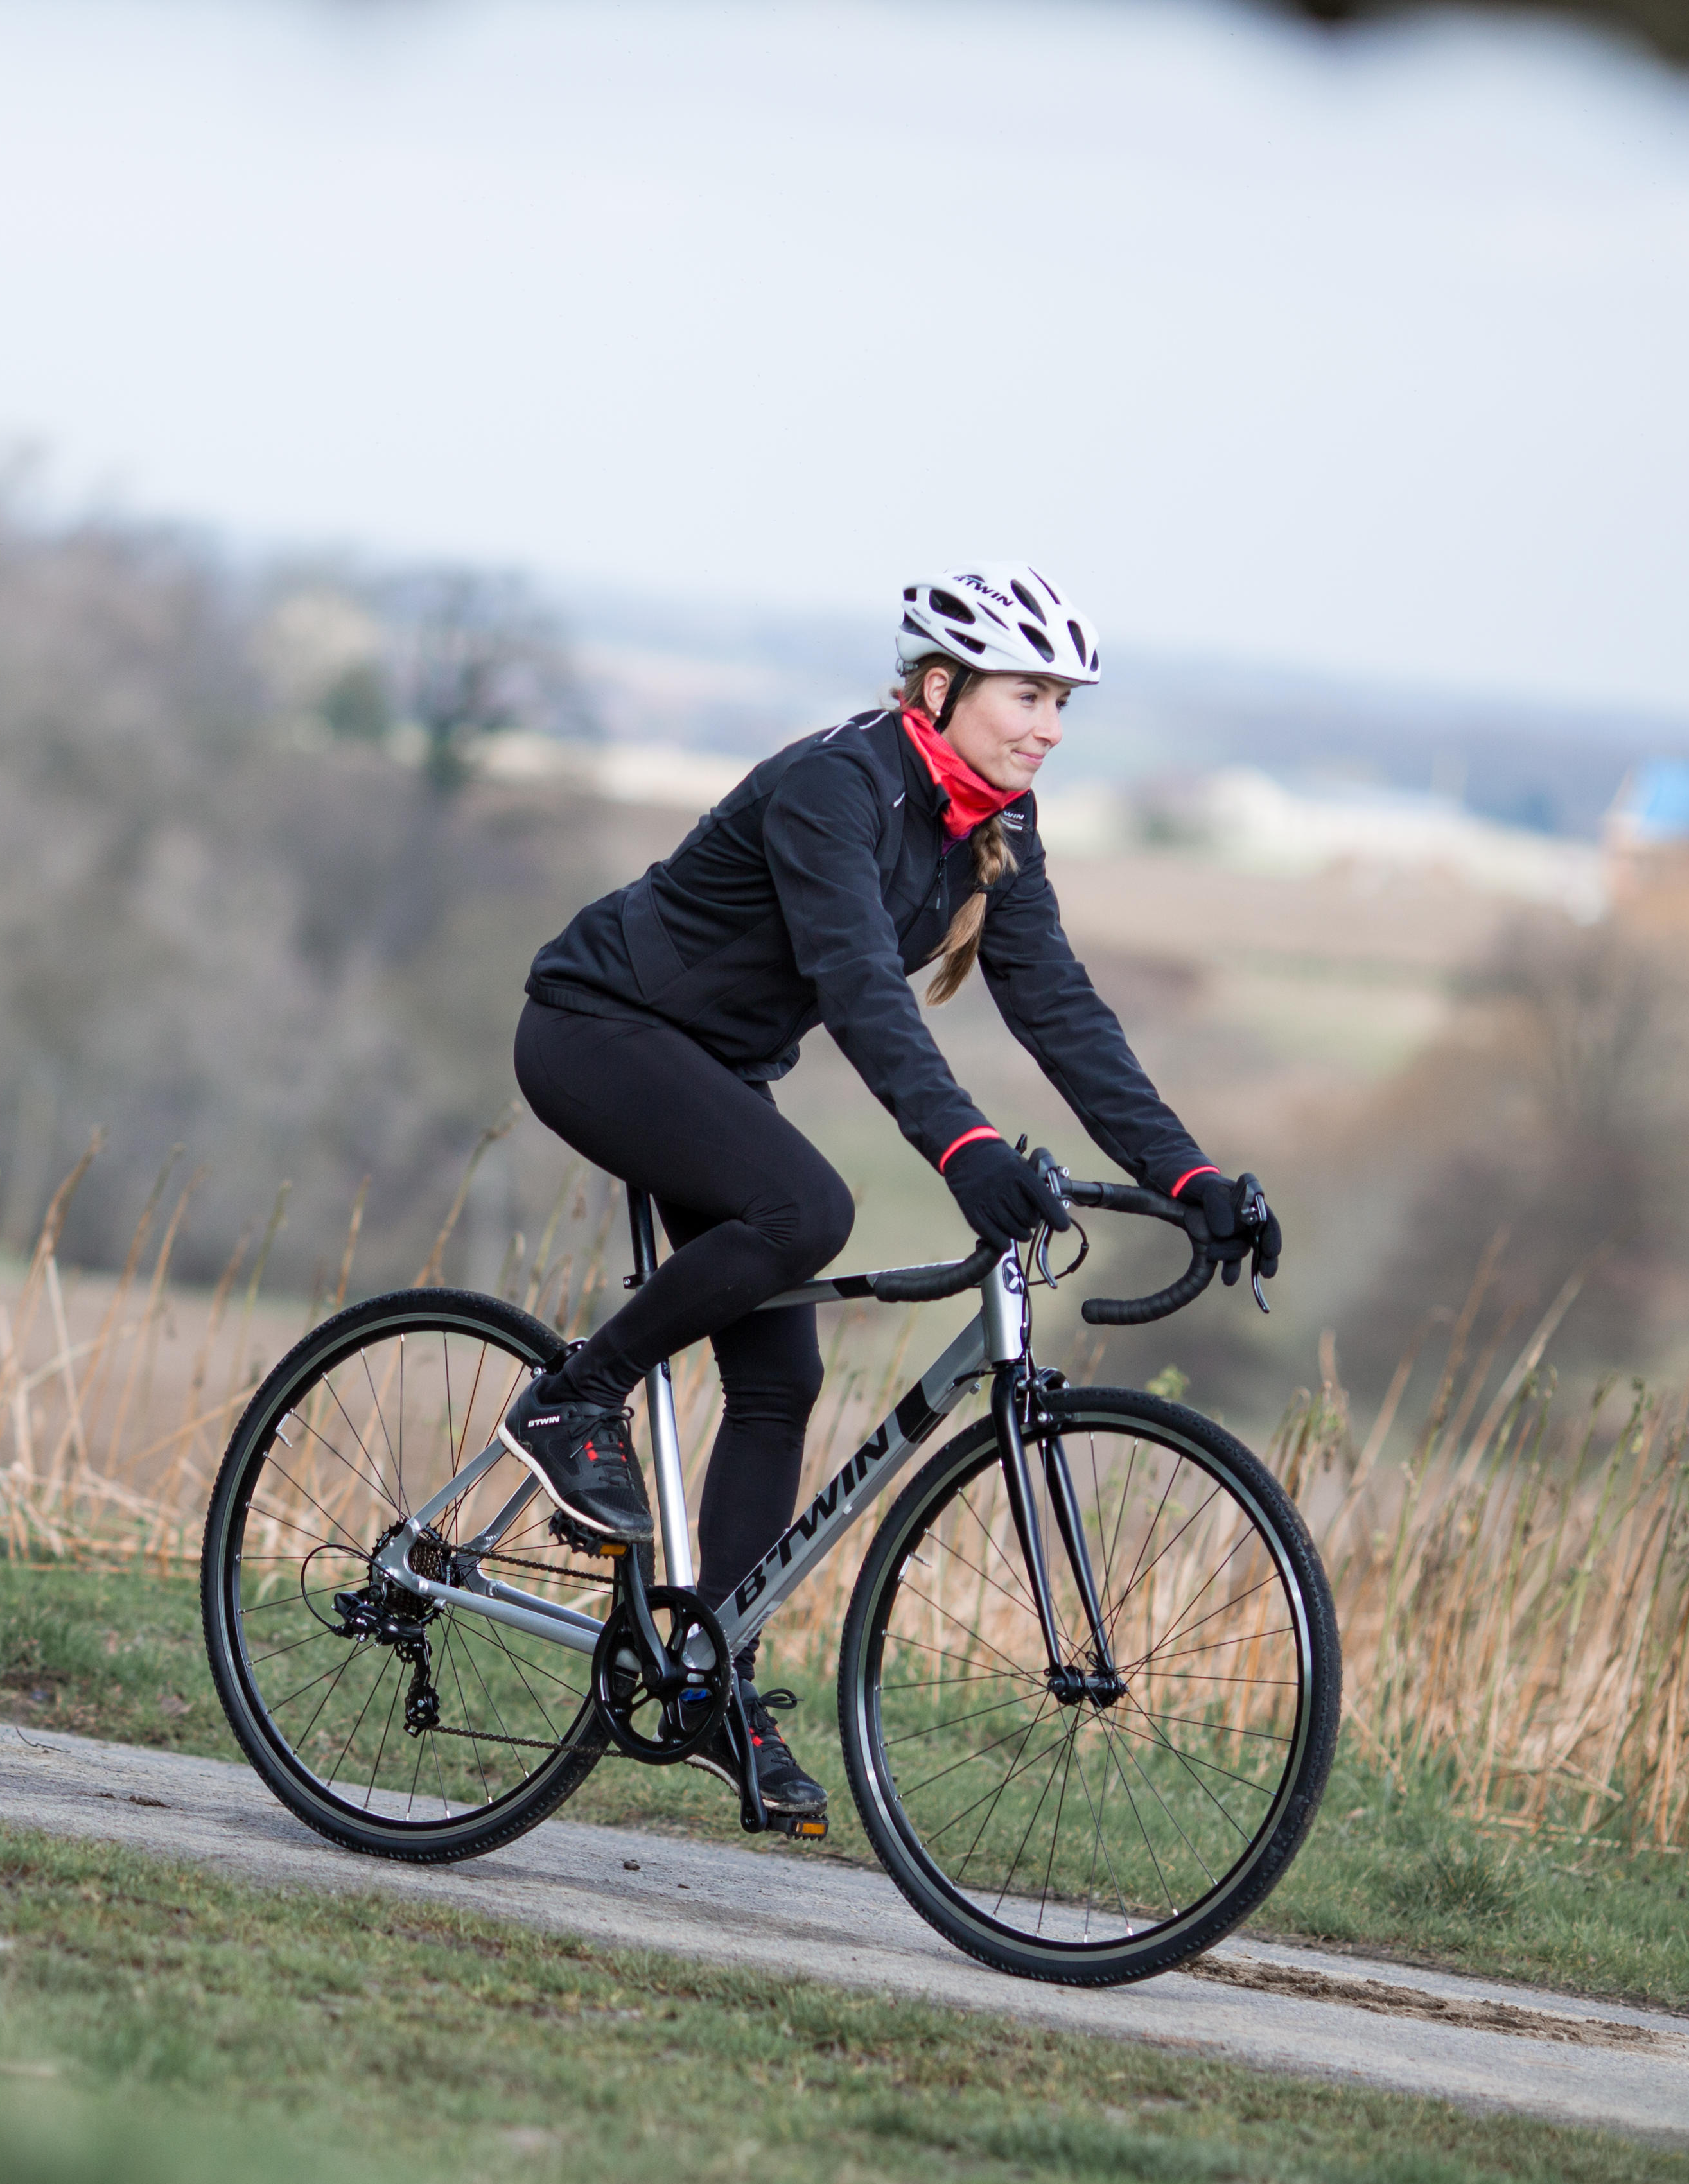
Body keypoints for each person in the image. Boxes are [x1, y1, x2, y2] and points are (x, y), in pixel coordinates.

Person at [502, 564, 1280, 1832]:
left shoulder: (990, 830)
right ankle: (573, 1395)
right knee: (803, 1211)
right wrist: (965, 1149)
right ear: (940, 686)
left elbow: (1065, 1017)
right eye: (1028, 693)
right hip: (599, 1028)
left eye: (1062, 701)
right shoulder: (837, 786)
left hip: (714, 1067)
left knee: (778, 1380)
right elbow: (859, 985)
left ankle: (709, 1679)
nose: (1050, 725)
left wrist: (1189, 1178)